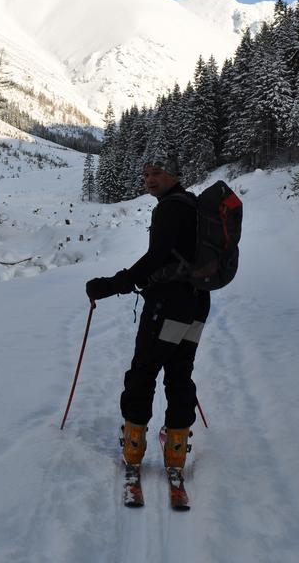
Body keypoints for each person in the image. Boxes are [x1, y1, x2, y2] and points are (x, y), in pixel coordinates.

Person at [85, 158, 210, 473]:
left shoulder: (171, 208)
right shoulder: (194, 206)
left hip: (168, 306)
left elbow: (157, 257)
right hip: (196, 304)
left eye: (157, 173)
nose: (150, 179)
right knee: (180, 370)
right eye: (146, 174)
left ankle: (134, 445)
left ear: (174, 175)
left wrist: (113, 285)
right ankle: (177, 449)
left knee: (145, 369)